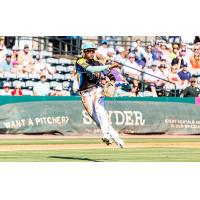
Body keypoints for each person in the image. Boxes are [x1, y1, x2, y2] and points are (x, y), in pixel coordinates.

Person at [75, 42, 124, 148]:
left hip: (96, 89)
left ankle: (106, 135)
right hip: (84, 94)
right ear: (84, 52)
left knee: (99, 108)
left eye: (93, 51)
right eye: (89, 51)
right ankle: (116, 138)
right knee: (98, 120)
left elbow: (111, 74)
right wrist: (110, 65)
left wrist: (112, 79)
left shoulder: (98, 62)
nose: (91, 53)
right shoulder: (80, 61)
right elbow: (91, 69)